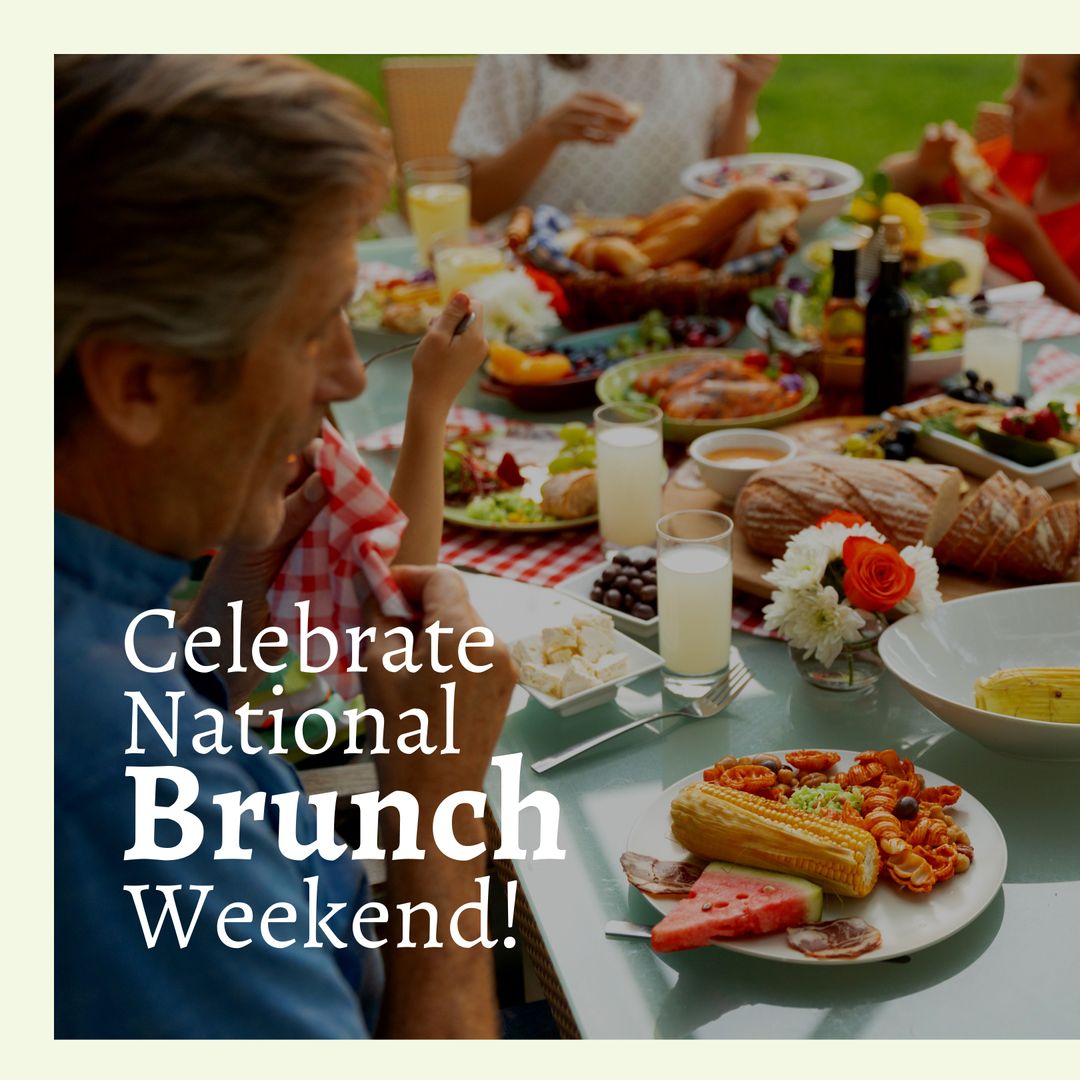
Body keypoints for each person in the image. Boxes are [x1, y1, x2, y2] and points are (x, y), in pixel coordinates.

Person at [54, 54, 517, 1038]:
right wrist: (436, 805)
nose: (352, 377)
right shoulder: (108, 792)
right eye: (314, 330)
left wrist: (236, 593)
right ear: (137, 385)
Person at [451, 54, 780, 222]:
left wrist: (742, 97)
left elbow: (720, 179)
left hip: (676, 267)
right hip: (548, 279)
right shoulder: (517, 55)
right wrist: (546, 135)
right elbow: (476, 205)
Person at [880, 55, 1080, 312]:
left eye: (1032, 88)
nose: (1010, 98)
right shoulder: (1011, 159)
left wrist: (1029, 241)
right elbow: (884, 188)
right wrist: (920, 168)